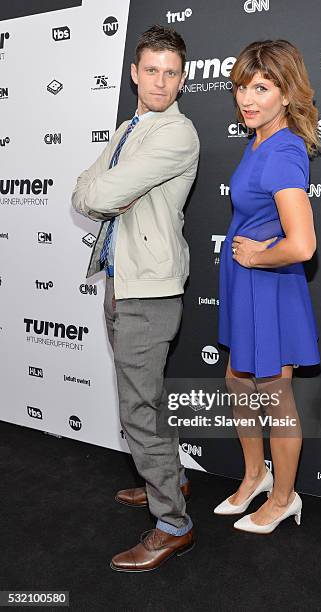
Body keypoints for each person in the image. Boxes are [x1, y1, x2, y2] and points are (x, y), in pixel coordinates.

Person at [71, 25, 199, 571]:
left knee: (139, 409)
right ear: (134, 74)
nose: (161, 81)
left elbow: (101, 192)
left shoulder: (177, 133)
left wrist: (104, 191)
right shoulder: (131, 126)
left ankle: (172, 522)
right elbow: (83, 191)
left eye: (171, 72)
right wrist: (102, 191)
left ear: (183, 78)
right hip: (123, 282)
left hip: (149, 290)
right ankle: (169, 481)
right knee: (146, 398)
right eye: (152, 70)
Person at [214, 39, 321, 533]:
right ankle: (256, 475)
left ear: (287, 92)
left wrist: (257, 255)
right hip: (246, 282)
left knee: (275, 395)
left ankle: (284, 497)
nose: (248, 98)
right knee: (238, 380)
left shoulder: (282, 150)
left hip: (269, 284)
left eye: (262, 87)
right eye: (242, 87)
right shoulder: (258, 139)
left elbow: (302, 245)